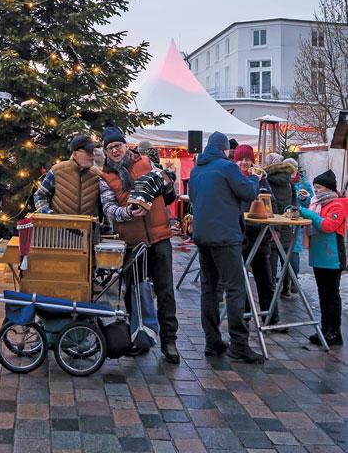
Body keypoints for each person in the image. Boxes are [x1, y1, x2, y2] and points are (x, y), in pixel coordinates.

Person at [99, 125, 180, 364]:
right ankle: (139, 337)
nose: (115, 151)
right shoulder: (105, 177)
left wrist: (166, 183)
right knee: (134, 293)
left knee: (165, 291)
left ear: (126, 146)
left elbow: (168, 195)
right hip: (133, 243)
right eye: (110, 148)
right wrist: (127, 212)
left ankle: (169, 341)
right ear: (105, 152)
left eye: (118, 146)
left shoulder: (146, 163)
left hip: (159, 237)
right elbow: (109, 209)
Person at [188, 131, 264, 364]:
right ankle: (239, 345)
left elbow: (192, 198)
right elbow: (249, 193)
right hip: (225, 236)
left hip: (203, 235)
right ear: (225, 150)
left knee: (209, 289)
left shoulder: (196, 169)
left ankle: (212, 342)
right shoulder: (227, 167)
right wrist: (254, 178)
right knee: (234, 288)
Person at [234, 144, 281, 329]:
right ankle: (244, 315)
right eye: (241, 159)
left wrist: (274, 228)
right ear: (236, 161)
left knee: (265, 276)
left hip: (260, 233)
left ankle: (271, 316)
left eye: (247, 159)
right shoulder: (234, 179)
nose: (245, 163)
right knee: (240, 276)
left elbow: (272, 203)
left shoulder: (261, 180)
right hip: (241, 232)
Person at [300, 169, 347, 347]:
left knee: (332, 294)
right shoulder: (317, 203)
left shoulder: (338, 205)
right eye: (315, 187)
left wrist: (309, 214)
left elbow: (328, 226)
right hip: (320, 256)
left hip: (332, 256)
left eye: (318, 187)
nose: (316, 191)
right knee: (323, 294)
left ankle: (334, 333)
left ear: (328, 188)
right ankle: (324, 329)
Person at [34, 135, 101, 215]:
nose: (92, 156)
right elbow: (40, 195)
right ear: (75, 154)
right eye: (88, 152)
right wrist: (49, 215)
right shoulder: (57, 170)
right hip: (59, 226)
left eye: (93, 151)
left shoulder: (97, 174)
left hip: (88, 227)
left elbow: (107, 202)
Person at [265, 153, 297, 298]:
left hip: (272, 225)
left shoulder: (267, 180)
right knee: (286, 257)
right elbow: (294, 202)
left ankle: (270, 288)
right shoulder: (289, 181)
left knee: (271, 256)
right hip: (286, 223)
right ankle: (287, 288)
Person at [284, 158, 313, 293]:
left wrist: (304, 198)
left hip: (297, 221)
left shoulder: (304, 184)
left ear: (295, 170)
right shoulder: (282, 182)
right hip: (283, 219)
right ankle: (285, 282)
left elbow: (311, 203)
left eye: (291, 170)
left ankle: (294, 281)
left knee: (294, 252)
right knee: (283, 252)